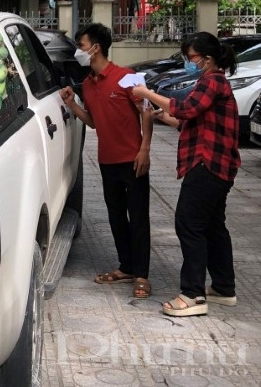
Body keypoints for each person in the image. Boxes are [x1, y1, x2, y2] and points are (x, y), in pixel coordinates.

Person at [133, 32, 240, 317]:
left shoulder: (212, 81)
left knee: (189, 223)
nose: (188, 62)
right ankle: (223, 288)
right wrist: (164, 116)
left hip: (208, 165)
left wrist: (146, 93)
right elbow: (192, 119)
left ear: (207, 59)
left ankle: (192, 295)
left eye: (191, 57)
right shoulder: (212, 82)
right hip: (219, 165)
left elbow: (188, 108)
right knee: (214, 227)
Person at [60, 23, 154, 299]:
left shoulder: (127, 77)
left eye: (81, 45)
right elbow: (94, 123)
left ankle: (142, 276)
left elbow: (147, 113)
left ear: (96, 47)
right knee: (116, 217)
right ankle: (126, 267)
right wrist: (73, 104)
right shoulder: (88, 85)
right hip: (107, 161)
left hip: (133, 159)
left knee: (138, 218)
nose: (80, 51)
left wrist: (145, 149)